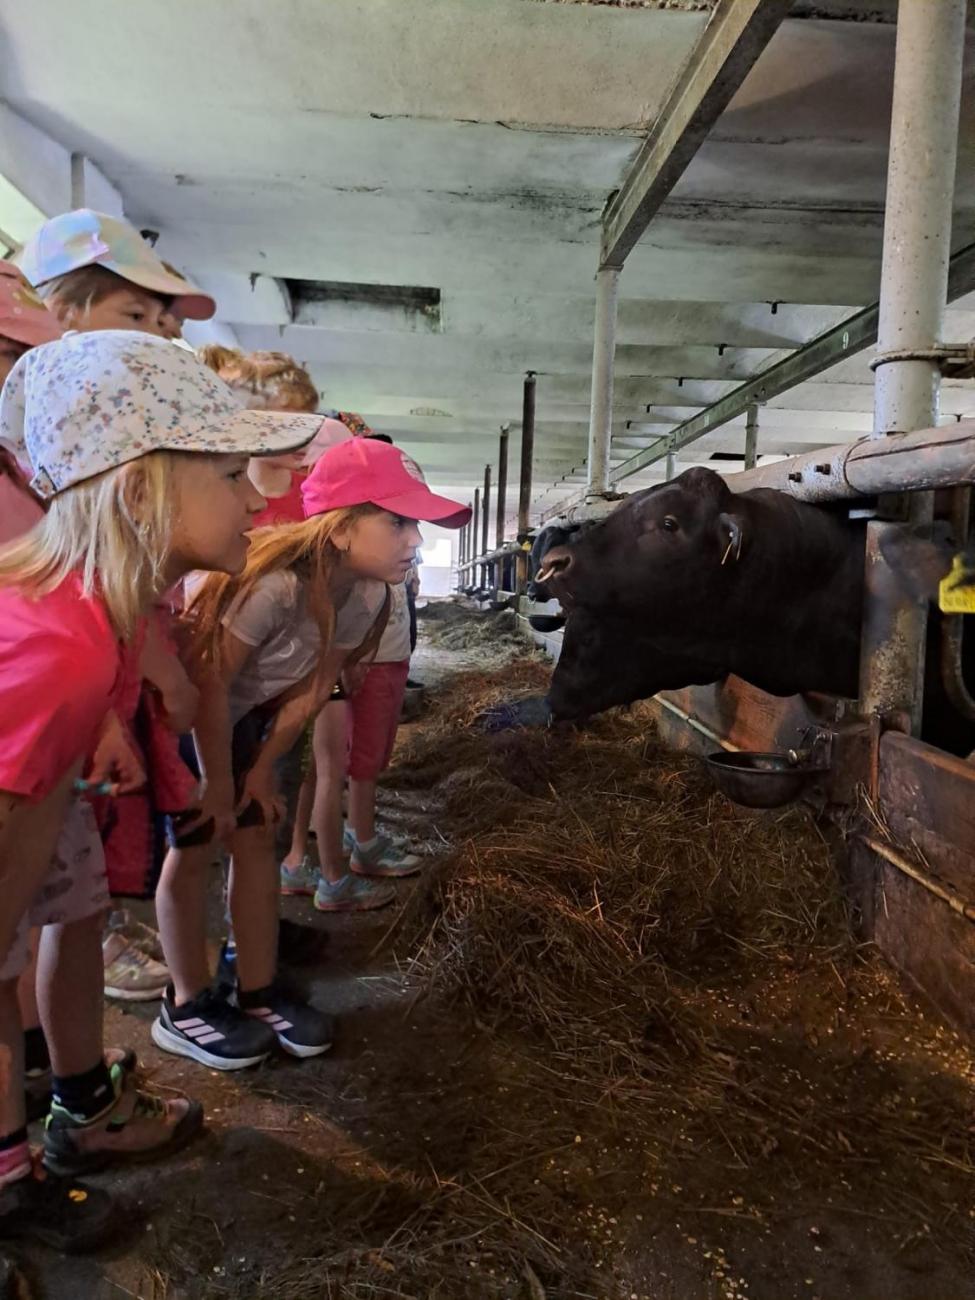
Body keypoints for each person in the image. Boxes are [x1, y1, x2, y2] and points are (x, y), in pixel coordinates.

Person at [0, 329, 323, 1251]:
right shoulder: (56, 651)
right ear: (142, 486)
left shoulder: (93, 633)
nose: (257, 507)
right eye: (229, 476)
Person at [152, 439, 470, 1070]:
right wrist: (218, 780)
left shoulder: (370, 596)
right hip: (186, 719)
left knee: (257, 840)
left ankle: (257, 988)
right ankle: (184, 1004)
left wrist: (265, 767)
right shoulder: (271, 584)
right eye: (398, 521)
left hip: (253, 720)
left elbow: (310, 688)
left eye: (417, 524)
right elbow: (211, 684)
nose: (416, 540)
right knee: (192, 848)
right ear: (343, 526)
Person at [18, 209, 216, 1001]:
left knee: (74, 866)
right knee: (40, 883)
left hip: (103, 679)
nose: (155, 333)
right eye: (134, 314)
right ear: (59, 314)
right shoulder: (59, 453)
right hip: (68, 692)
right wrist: (107, 702)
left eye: (158, 319)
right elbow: (76, 594)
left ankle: (61, 1070)